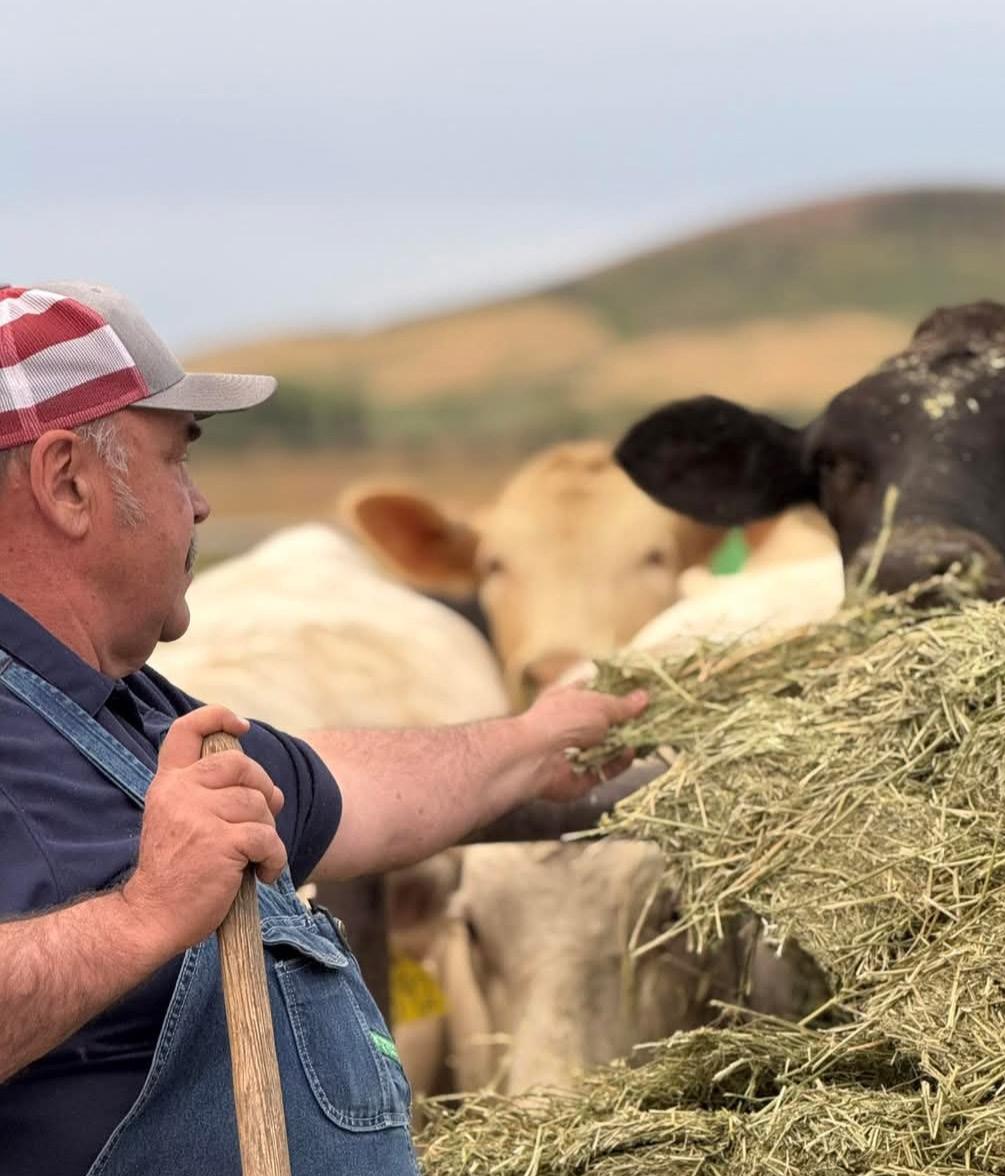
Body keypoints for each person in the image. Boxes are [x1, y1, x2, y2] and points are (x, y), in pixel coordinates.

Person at [0, 282, 647, 1176]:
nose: (199, 504)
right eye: (175, 459)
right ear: (68, 482)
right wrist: (143, 915)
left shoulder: (128, 706)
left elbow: (341, 786)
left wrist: (533, 743)